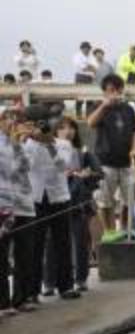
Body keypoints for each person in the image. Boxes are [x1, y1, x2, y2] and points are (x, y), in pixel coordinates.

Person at [22, 104, 78, 300]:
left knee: (62, 243)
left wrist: (47, 143)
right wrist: (31, 141)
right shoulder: (25, 144)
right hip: (35, 199)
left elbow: (63, 167)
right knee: (35, 246)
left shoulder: (63, 144)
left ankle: (66, 286)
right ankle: (32, 291)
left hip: (59, 197)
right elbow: (26, 166)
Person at [87, 74, 135, 242]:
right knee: (105, 200)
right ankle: (109, 231)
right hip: (105, 162)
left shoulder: (128, 108)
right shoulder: (98, 106)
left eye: (118, 89)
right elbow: (90, 123)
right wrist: (104, 106)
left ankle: (124, 229)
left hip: (126, 162)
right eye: (111, 90)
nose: (115, 93)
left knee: (128, 200)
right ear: (104, 92)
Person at [55, 116, 99, 292]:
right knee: (52, 244)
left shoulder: (83, 152)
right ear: (56, 132)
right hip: (55, 202)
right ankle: (51, 281)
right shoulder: (49, 150)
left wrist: (87, 175)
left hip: (78, 201)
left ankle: (81, 278)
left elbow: (98, 173)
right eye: (63, 128)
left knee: (80, 241)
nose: (68, 131)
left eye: (71, 127)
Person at [1, 109, 38, 312]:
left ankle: (21, 298)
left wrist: (20, 144)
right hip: (5, 206)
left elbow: (26, 167)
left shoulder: (22, 145)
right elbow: (9, 171)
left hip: (24, 205)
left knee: (25, 254)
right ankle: (3, 302)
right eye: (7, 119)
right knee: (2, 255)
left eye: (15, 120)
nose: (11, 123)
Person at [116, 45, 135, 113]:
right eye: (134, 50)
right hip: (125, 81)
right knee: (125, 98)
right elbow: (122, 66)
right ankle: (124, 113)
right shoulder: (123, 57)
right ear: (130, 50)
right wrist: (134, 68)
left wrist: (129, 67)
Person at [73, 41, 97, 117]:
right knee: (79, 96)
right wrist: (89, 67)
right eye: (85, 48)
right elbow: (81, 67)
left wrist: (89, 67)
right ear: (82, 49)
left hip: (90, 78)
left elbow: (95, 67)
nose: (87, 50)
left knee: (90, 97)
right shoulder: (77, 56)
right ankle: (78, 114)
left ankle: (89, 115)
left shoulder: (92, 57)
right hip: (80, 77)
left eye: (88, 48)